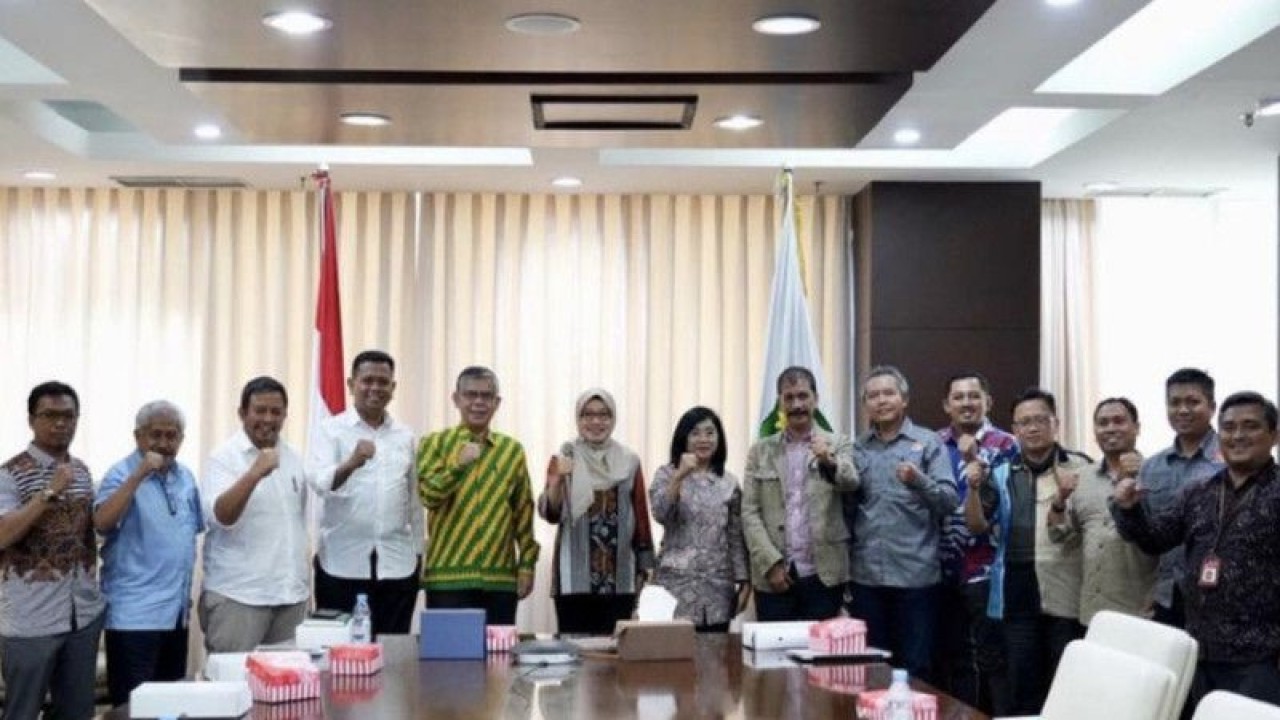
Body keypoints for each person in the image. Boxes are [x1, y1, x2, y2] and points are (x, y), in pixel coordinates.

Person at [1112, 391, 1280, 712]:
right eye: (1229, 428)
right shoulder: (1199, 492)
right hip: (1199, 649)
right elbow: (1156, 540)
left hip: (1261, 655)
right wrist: (1130, 509)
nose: (1238, 436)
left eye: (1250, 426)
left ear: (1274, 434)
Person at [0, 382, 106, 720]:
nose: (60, 423)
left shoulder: (83, 472)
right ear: (32, 420)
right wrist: (48, 492)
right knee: (22, 712)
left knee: (76, 713)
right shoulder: (10, 474)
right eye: (50, 415)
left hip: (82, 616)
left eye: (68, 416)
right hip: (31, 620)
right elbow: (3, 535)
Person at [847, 365, 959, 682]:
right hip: (867, 577)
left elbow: (950, 502)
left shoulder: (928, 443)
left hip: (916, 577)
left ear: (904, 399)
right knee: (872, 669)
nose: (881, 401)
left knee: (917, 669)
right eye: (873, 395)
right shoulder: (857, 448)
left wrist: (919, 480)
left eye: (888, 393)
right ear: (865, 404)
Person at [307, 350, 423, 636]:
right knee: (341, 658)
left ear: (393, 388)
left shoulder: (405, 436)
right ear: (351, 384)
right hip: (341, 563)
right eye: (367, 380)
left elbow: (414, 502)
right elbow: (320, 482)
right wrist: (352, 463)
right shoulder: (329, 430)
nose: (375, 388)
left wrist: (419, 554)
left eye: (383, 382)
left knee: (392, 655)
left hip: (397, 565)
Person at [95, 400, 203, 707]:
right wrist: (138, 476)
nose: (164, 444)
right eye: (156, 435)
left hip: (175, 616)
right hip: (134, 618)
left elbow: (188, 535)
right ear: (138, 436)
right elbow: (102, 523)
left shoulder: (186, 477)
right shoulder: (120, 473)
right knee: (133, 708)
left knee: (168, 707)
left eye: (172, 436)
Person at [417, 366, 539, 624]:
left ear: (497, 402)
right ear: (456, 399)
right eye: (471, 395)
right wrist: (458, 467)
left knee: (500, 661)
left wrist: (527, 565)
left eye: (486, 396)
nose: (478, 402)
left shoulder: (511, 450)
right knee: (448, 660)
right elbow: (428, 496)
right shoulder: (435, 443)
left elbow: (523, 511)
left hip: (501, 580)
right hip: (447, 579)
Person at [997, 388, 1092, 714]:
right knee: (1022, 679)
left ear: (1056, 424)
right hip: (1018, 589)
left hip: (1066, 588)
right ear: (1014, 429)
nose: (1032, 428)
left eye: (1040, 420)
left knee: (1066, 680)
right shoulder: (1001, 469)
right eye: (1024, 422)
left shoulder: (1080, 467)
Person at [200, 376, 310, 653]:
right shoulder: (224, 457)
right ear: (242, 413)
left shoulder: (294, 457)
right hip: (239, 597)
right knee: (231, 689)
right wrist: (254, 473)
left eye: (276, 412)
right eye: (259, 410)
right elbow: (222, 515)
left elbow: (296, 522)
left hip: (290, 596)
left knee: (288, 692)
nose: (268, 419)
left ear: (285, 415)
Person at [741, 366, 858, 622]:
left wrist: (827, 459)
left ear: (815, 399)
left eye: (803, 396)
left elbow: (851, 482)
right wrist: (770, 563)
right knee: (774, 659)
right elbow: (749, 512)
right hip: (774, 576)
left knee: (820, 658)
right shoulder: (760, 451)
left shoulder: (838, 443)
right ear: (780, 403)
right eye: (789, 397)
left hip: (824, 575)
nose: (797, 405)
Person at [934, 372, 1018, 712]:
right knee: (948, 655)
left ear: (988, 402)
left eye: (973, 396)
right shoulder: (933, 443)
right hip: (939, 567)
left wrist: (975, 463)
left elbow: (1006, 503)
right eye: (958, 397)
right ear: (946, 405)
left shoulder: (1007, 444)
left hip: (986, 568)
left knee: (990, 656)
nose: (966, 403)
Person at [539, 388, 655, 635]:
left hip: (620, 575)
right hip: (574, 575)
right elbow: (550, 513)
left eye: (603, 415)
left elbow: (641, 516)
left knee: (615, 655)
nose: (595, 422)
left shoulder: (629, 460)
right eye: (587, 415)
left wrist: (646, 566)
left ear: (613, 419)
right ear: (578, 419)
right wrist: (558, 479)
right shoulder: (565, 456)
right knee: (576, 654)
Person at [1046, 398, 1154, 625]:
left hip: (1139, 612)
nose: (1110, 428)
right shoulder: (1082, 477)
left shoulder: (1156, 474)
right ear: (1095, 432)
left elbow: (1170, 544)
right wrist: (1059, 500)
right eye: (1103, 423)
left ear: (1137, 428)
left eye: (1119, 421)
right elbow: (1059, 535)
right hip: (1092, 612)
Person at [649, 406, 749, 632]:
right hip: (675, 586)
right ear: (683, 438)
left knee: (716, 659)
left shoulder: (729, 483)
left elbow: (735, 537)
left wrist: (744, 581)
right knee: (677, 661)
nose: (703, 439)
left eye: (710, 433)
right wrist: (679, 476)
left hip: (717, 586)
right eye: (695, 433)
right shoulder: (666, 474)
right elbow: (661, 513)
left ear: (719, 439)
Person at [1139, 368, 1222, 628]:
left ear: (1212, 407)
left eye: (1193, 402)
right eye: (1174, 403)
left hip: (1220, 595)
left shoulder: (1232, 461)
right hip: (1167, 595)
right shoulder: (1152, 467)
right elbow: (1149, 535)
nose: (1183, 410)